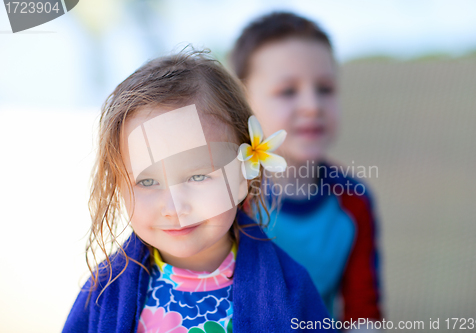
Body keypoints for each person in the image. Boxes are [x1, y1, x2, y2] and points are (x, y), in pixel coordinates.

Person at [62, 50, 334, 332]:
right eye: (146, 181)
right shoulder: (105, 291)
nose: (174, 206)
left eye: (198, 176)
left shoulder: (291, 289)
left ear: (244, 178)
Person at [229, 12, 383, 324]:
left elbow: (362, 314)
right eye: (287, 91)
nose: (312, 105)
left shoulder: (352, 201)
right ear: (243, 103)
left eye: (325, 88)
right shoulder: (230, 196)